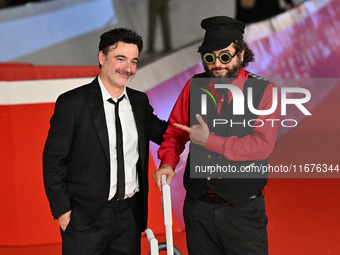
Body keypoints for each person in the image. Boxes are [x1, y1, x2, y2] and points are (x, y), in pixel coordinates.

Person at [153, 16, 279, 254]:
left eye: (225, 56)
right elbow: (174, 132)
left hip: (242, 211)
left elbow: (262, 145)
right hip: (198, 209)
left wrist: (209, 141)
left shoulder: (264, 91)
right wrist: (167, 163)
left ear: (241, 54)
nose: (217, 64)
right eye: (209, 58)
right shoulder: (194, 86)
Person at [43, 28, 167, 255]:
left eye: (133, 61)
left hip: (129, 216)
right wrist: (62, 211)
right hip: (85, 220)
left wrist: (204, 130)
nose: (128, 69)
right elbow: (53, 161)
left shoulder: (139, 103)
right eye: (120, 59)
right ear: (102, 58)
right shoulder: (73, 103)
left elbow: (165, 134)